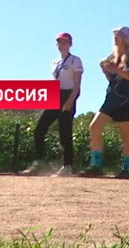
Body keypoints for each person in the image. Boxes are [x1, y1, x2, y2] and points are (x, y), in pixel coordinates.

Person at [81, 26, 129, 179]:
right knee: (94, 127)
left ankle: (126, 168)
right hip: (111, 97)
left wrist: (116, 69)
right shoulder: (113, 56)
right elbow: (113, 79)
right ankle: (96, 165)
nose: (115, 38)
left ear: (126, 38)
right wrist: (106, 71)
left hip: (126, 99)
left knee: (126, 135)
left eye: (119, 35)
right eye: (114, 35)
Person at [23, 33, 84, 176]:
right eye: (59, 42)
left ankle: (67, 166)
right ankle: (38, 162)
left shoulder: (75, 60)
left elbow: (77, 85)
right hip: (54, 95)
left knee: (65, 133)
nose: (62, 44)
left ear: (70, 44)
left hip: (67, 95)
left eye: (65, 42)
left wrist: (70, 101)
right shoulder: (54, 62)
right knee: (39, 129)